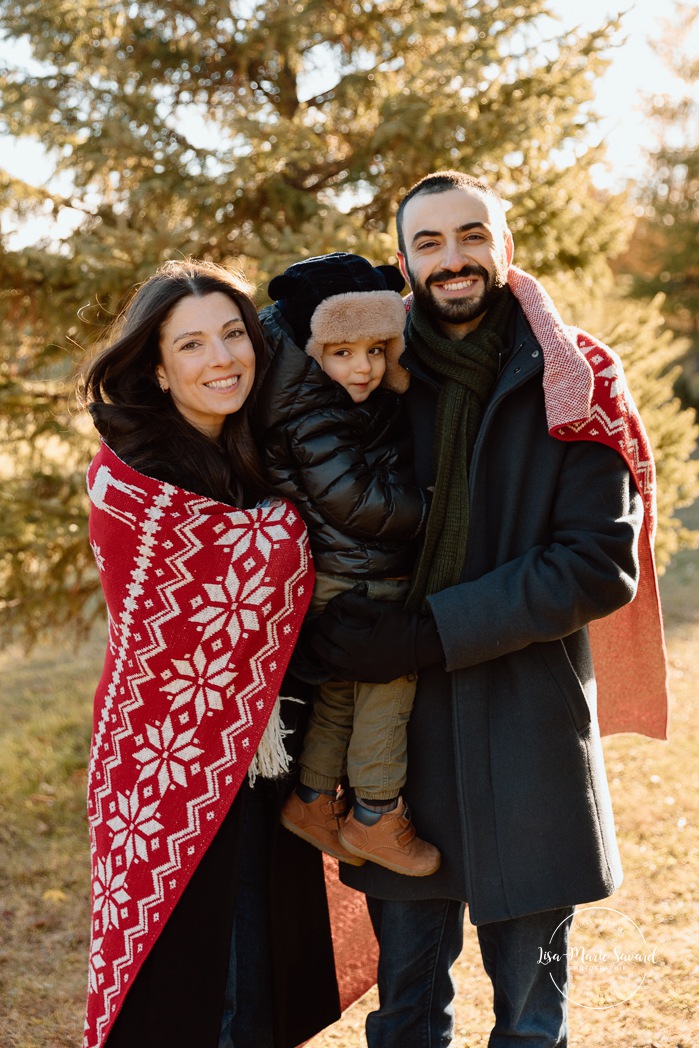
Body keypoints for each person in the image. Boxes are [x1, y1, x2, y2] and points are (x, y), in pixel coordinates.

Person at [306, 173, 669, 1047]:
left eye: (471, 236)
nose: (452, 258)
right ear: (402, 263)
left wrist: (431, 629)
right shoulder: (366, 379)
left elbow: (595, 564)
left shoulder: (573, 377)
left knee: (529, 1022)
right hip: (398, 749)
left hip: (524, 732)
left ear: (504, 248)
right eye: (428, 244)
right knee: (405, 1016)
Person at [79, 259, 347, 1048]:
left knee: (257, 967)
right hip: (168, 757)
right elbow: (247, 563)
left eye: (234, 335)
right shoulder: (131, 475)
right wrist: (281, 532)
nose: (221, 358)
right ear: (157, 371)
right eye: (191, 345)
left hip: (260, 753)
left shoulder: (255, 452)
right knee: (191, 980)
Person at [254, 252, 440, 877]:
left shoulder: (329, 398)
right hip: (362, 572)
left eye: (377, 350)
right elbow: (355, 500)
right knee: (390, 686)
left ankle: (311, 799)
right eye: (341, 352)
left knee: (340, 696)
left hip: (341, 569)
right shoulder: (312, 414)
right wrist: (437, 507)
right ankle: (376, 814)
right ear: (311, 350)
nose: (362, 367)